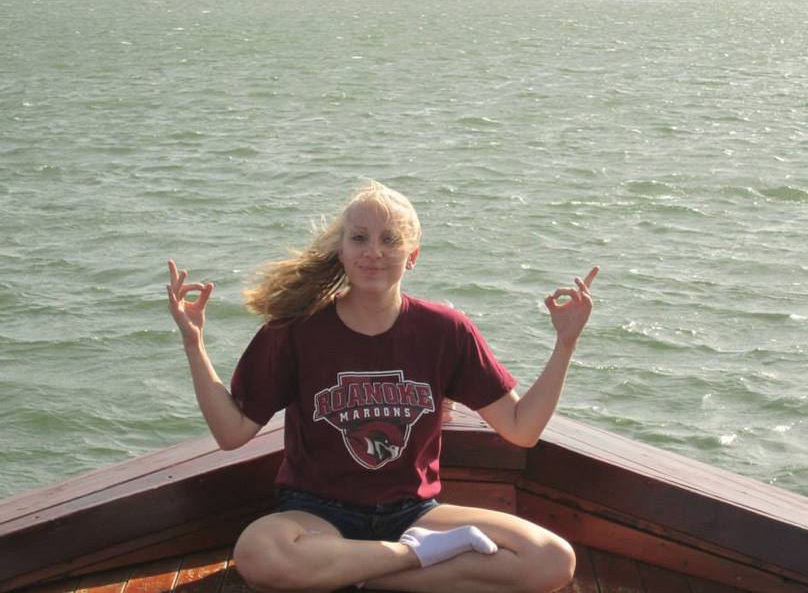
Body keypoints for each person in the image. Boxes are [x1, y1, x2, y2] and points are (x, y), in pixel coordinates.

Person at [166, 180, 598, 593]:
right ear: (341, 250)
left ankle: (348, 571)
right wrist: (193, 343)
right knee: (260, 553)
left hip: (415, 512)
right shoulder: (294, 331)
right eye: (359, 238)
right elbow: (232, 433)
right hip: (315, 514)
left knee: (551, 559)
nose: (374, 252)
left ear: (413, 255)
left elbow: (521, 429)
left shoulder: (446, 331)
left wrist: (565, 344)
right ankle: (413, 558)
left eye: (390, 240)